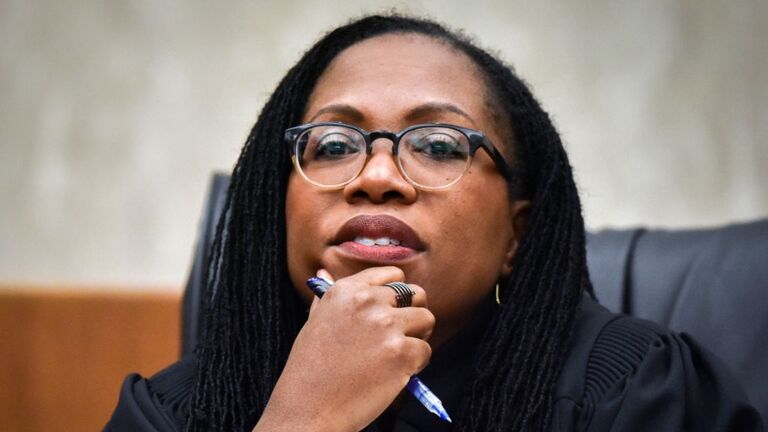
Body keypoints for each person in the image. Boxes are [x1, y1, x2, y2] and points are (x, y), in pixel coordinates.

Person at [105, 14, 763, 432]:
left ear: (517, 235)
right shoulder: (175, 412)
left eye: (440, 145)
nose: (377, 175)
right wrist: (305, 418)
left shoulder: (634, 393)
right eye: (332, 145)